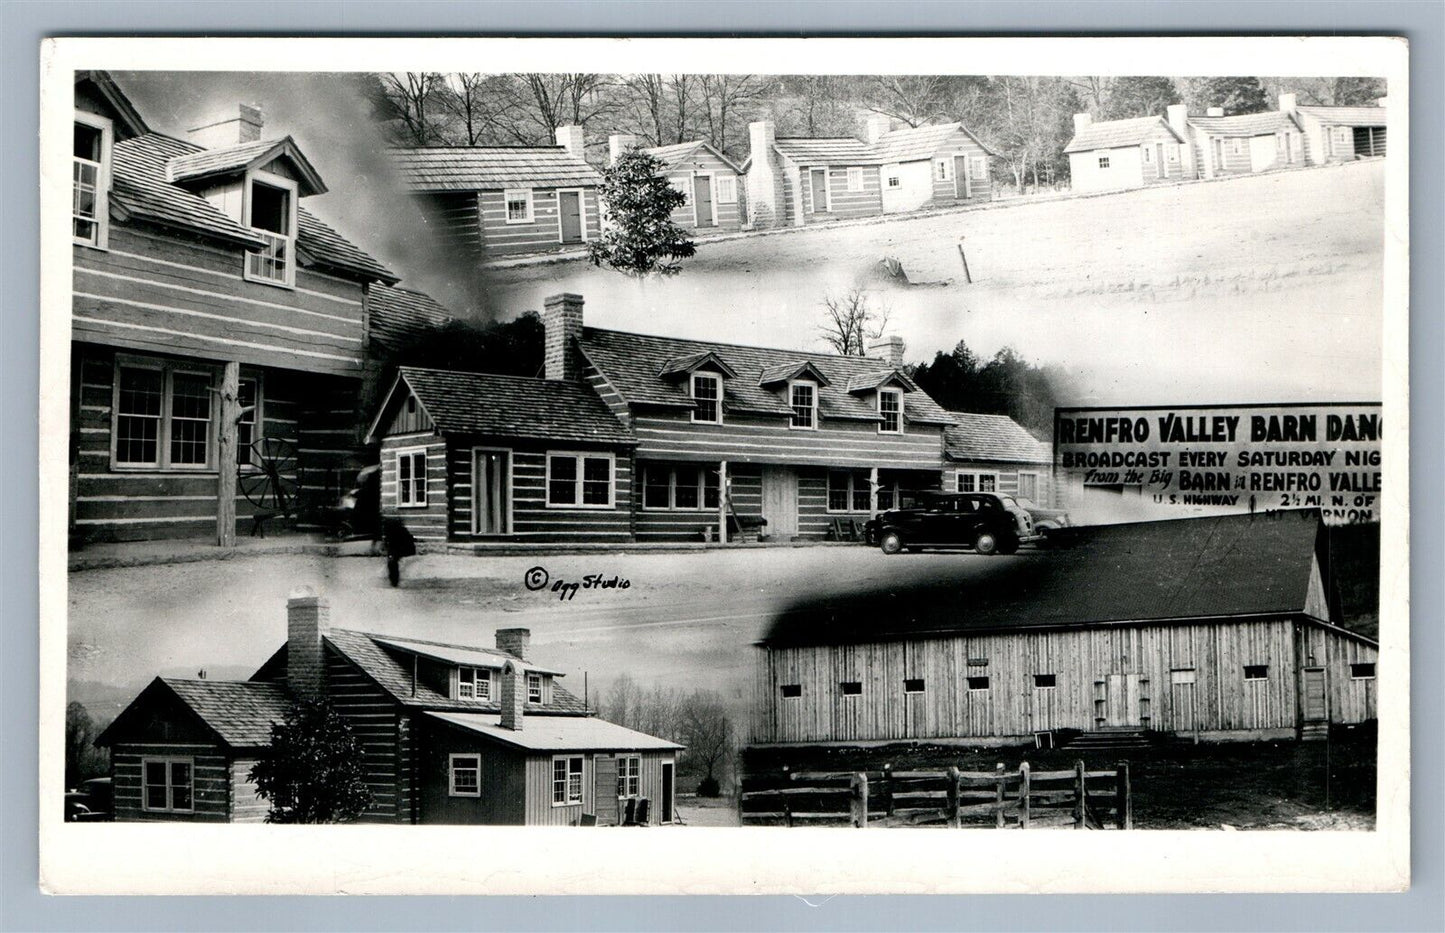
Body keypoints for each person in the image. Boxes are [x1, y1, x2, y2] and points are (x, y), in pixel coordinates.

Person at [382, 518, 416, 587]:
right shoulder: (390, 531)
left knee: (392, 563)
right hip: (394, 549)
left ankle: (394, 581)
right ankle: (393, 580)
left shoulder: (400, 531)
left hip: (396, 549)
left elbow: (408, 539)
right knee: (392, 563)